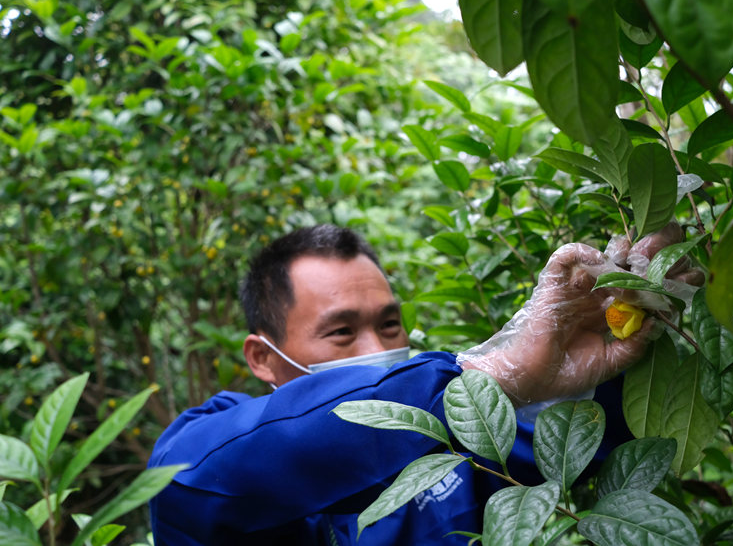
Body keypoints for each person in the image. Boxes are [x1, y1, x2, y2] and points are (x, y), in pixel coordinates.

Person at [148, 223, 690, 545]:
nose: (379, 351)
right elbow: (189, 484)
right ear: (263, 358)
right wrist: (480, 377)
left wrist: (622, 344)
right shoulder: (213, 440)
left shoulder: (455, 443)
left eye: (389, 324)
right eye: (341, 332)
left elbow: (568, 441)